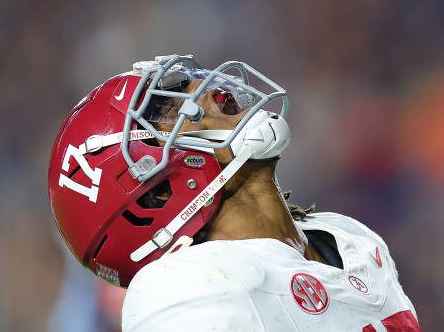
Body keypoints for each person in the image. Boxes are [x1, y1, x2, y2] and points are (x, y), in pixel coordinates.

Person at [48, 55, 422, 331]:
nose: (211, 91)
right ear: (153, 195)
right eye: (168, 105)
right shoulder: (183, 289)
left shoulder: (348, 239)